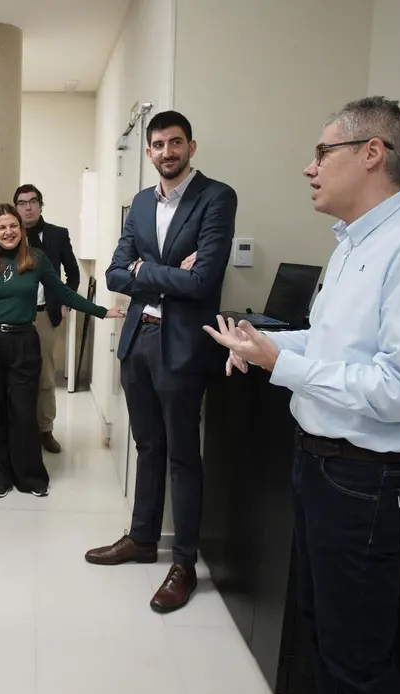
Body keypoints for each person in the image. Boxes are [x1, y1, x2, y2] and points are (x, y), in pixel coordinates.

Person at [205, 97, 400, 694]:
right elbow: (335, 347)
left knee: (358, 655)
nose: (310, 168)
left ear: (372, 153)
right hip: (325, 465)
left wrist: (282, 363)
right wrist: (263, 344)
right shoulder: (357, 243)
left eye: (322, 152)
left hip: (371, 478)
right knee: (323, 624)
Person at [84, 110, 237, 615]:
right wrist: (165, 271)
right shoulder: (142, 204)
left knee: (182, 456)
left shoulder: (216, 198)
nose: (166, 152)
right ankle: (143, 538)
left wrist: (145, 270)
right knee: (147, 446)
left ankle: (185, 563)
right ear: (147, 151)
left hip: (182, 346)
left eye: (175, 143)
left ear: (191, 146)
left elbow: (204, 281)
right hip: (139, 341)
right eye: (158, 145)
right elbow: (112, 274)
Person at [0, 203, 122, 498]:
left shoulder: (36, 259)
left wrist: (101, 311)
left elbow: (63, 293)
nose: (8, 232)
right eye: (1, 228)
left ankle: (30, 476)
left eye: (13, 226)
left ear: (21, 230)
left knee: (23, 411)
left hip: (23, 341)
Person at [13, 184, 80, 454]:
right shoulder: (8, 233)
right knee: (15, 374)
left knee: (45, 377)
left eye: (33, 202)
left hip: (43, 316)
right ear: (15, 207)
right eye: (22, 202)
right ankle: (18, 428)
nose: (28, 207)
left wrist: (63, 302)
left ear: (40, 205)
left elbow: (73, 274)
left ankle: (45, 429)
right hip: (13, 317)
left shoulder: (57, 235)